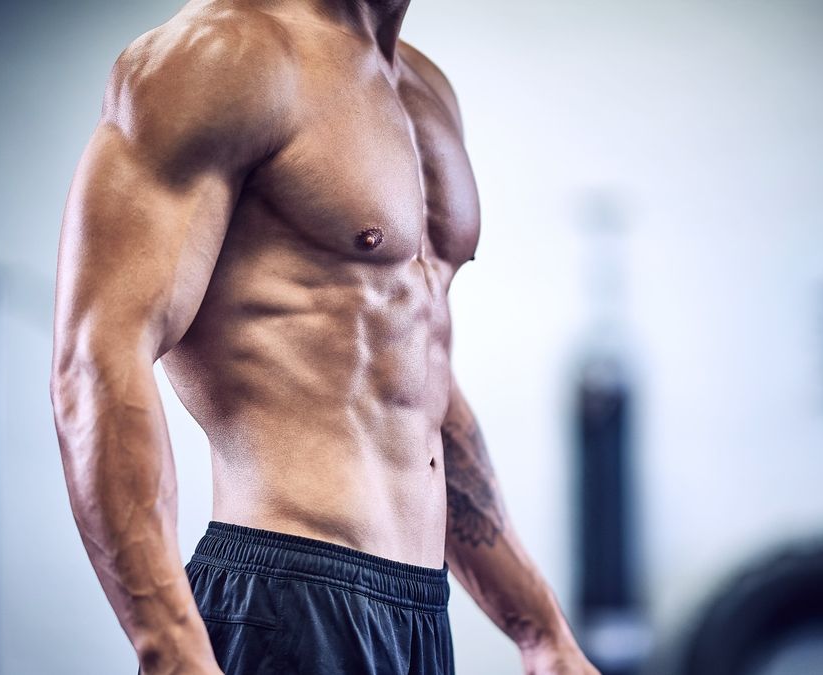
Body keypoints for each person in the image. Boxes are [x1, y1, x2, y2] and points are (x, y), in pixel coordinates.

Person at [50, 0, 599, 673]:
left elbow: (419, 384)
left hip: (419, 616)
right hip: (287, 595)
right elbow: (97, 359)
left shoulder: (424, 91)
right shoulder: (223, 56)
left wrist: (542, 632)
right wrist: (170, 646)